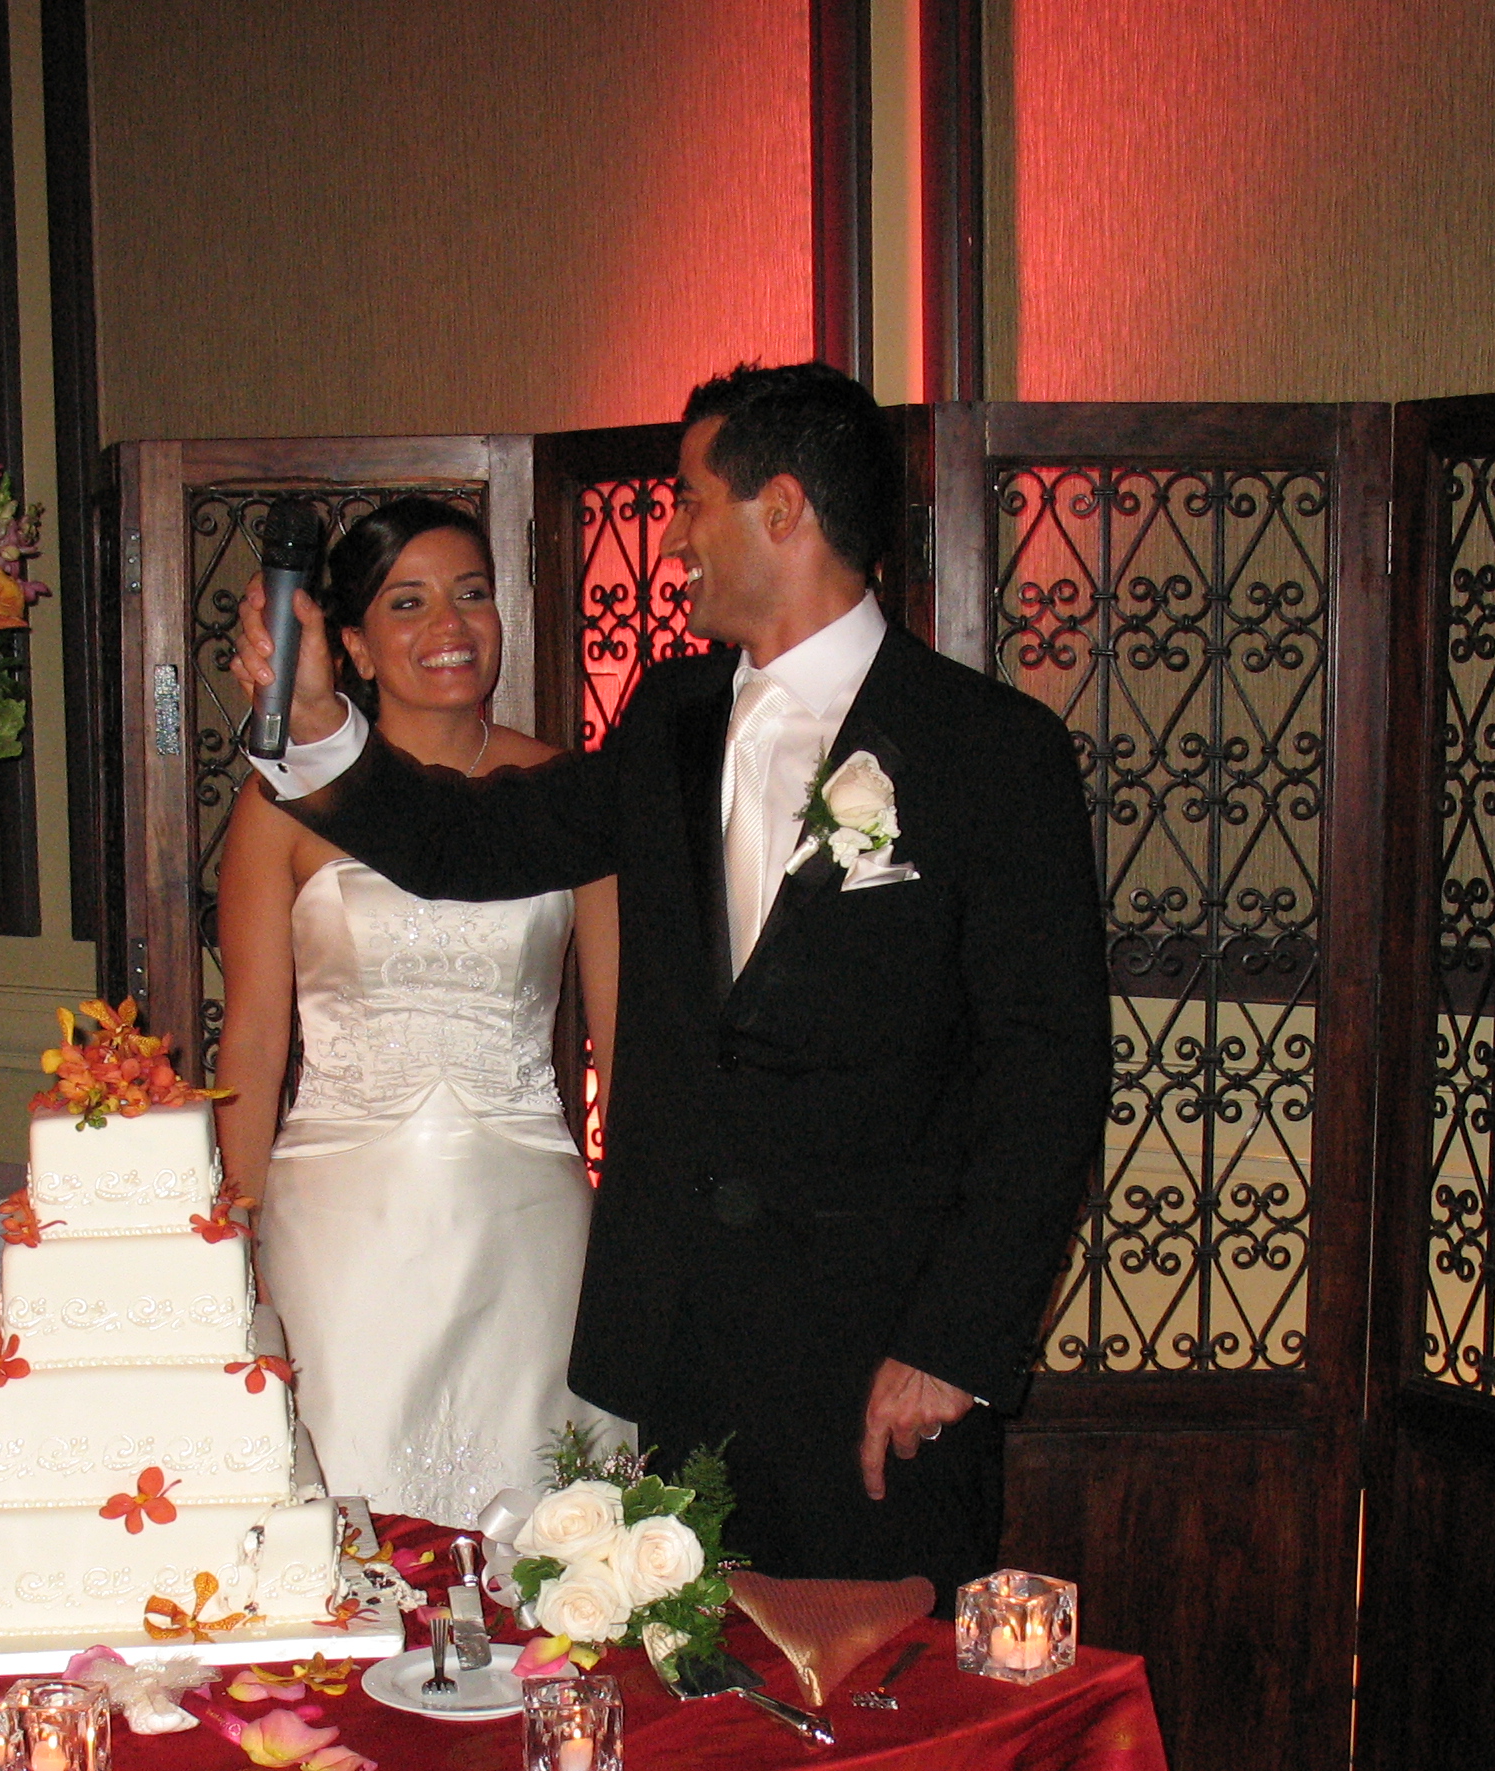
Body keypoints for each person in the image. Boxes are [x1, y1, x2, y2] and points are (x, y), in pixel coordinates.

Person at [238, 363, 1109, 1604]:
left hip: (878, 1362)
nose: (673, 539)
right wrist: (322, 727)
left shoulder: (992, 749)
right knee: (686, 1678)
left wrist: (955, 1345)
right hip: (683, 1350)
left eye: (692, 500)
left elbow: (1048, 1074)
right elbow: (476, 843)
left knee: (878, 1690)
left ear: (781, 510)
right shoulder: (672, 714)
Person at [215, 498, 627, 1523]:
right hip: (341, 1227)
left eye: (471, 594)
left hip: (527, 1221)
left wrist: (642, 1231)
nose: (451, 625)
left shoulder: (571, 792)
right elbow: (254, 1041)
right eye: (408, 602)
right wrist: (234, 1233)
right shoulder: (280, 801)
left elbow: (622, 1038)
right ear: (350, 644)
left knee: (545, 1517)